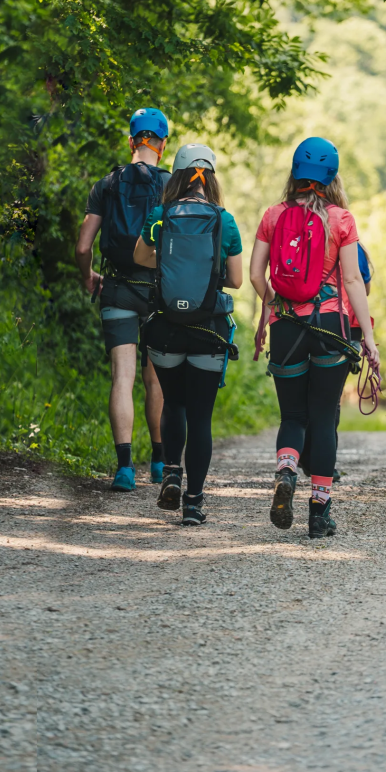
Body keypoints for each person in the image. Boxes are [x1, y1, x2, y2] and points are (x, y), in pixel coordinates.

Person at [249, 137, 379, 539]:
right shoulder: (342, 220)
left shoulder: (273, 215)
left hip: (286, 325)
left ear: (295, 173)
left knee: (292, 416)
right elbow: (354, 279)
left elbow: (256, 275)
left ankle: (287, 470)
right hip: (330, 328)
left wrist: (275, 307)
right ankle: (319, 513)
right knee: (324, 418)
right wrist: (369, 339)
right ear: (331, 177)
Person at [133, 144, 243, 525]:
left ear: (176, 176)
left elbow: (139, 258)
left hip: (165, 330)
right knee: (200, 417)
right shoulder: (224, 220)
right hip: (206, 331)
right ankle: (194, 503)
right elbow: (237, 280)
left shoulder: (161, 215)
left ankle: (171, 474)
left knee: (173, 405)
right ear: (211, 179)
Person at [75, 108, 170, 492]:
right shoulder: (172, 185)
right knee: (156, 379)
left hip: (116, 288)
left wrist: (88, 276)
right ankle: (161, 463)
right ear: (162, 145)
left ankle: (125, 468)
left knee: (123, 377)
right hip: (160, 293)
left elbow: (84, 246)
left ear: (131, 141)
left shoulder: (106, 184)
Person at [297, 241, 373, 481]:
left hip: (301, 319)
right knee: (330, 401)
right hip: (346, 324)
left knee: (304, 392)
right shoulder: (354, 246)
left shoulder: (304, 239)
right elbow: (365, 288)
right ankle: (322, 461)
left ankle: (304, 455)